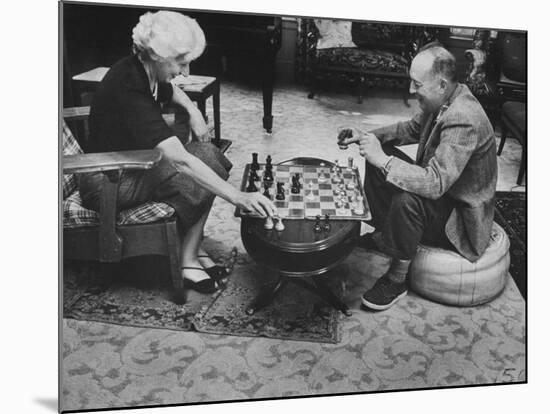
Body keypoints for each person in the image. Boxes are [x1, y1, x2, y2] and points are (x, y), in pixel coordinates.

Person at [79, 10, 276, 294]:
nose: (185, 72)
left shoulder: (142, 68)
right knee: (204, 160)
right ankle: (188, 259)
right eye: (180, 63)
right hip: (106, 182)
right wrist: (238, 197)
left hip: (130, 167)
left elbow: (169, 90)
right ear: (158, 55)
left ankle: (192, 250)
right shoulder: (129, 87)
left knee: (209, 155)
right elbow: (181, 161)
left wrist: (194, 111)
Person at [339, 45, 497, 311]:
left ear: (441, 84)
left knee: (407, 194)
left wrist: (383, 160)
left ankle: (396, 279)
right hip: (444, 196)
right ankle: (384, 234)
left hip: (459, 217)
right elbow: (410, 128)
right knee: (384, 153)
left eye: (416, 84)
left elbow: (434, 184)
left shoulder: (464, 118)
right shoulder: (443, 98)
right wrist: (368, 136)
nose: (411, 91)